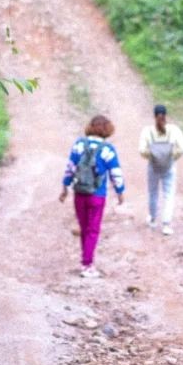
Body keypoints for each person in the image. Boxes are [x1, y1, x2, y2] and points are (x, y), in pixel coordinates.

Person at [59, 114, 124, 278]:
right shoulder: (108, 149)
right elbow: (115, 173)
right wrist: (120, 191)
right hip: (97, 195)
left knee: (84, 228)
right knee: (93, 230)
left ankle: (85, 261)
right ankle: (87, 264)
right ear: (107, 129)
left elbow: (71, 167)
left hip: (79, 192)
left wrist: (65, 187)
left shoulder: (79, 145)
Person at [139, 104, 183, 235]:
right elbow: (182, 147)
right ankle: (166, 224)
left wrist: (153, 156)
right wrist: (171, 157)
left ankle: (153, 219)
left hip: (153, 166)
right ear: (166, 115)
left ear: (154, 116)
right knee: (168, 194)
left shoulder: (147, 131)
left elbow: (142, 150)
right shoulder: (174, 130)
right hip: (169, 166)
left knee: (153, 192)